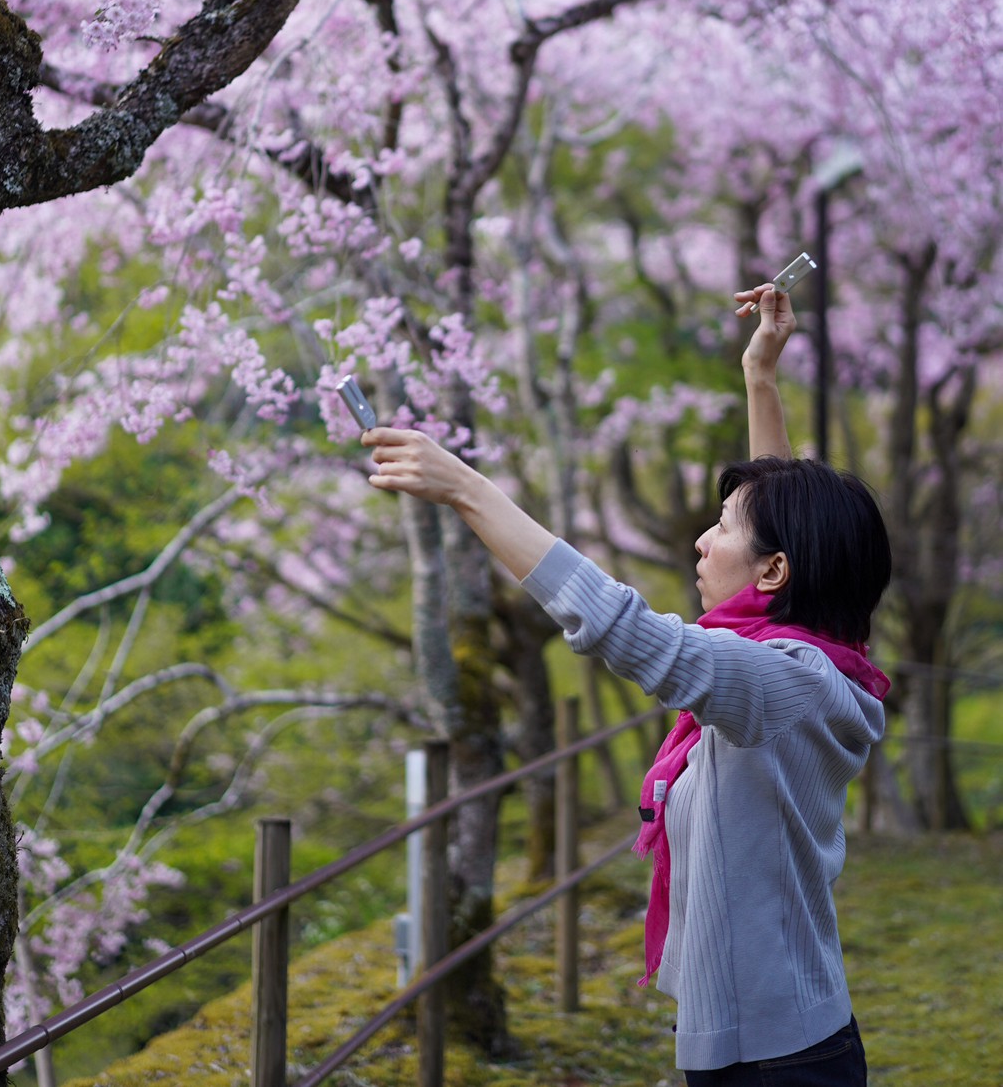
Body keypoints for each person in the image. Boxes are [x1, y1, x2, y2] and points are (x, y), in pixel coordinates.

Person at [361, 282, 891, 1085]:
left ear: (776, 571)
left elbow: (618, 624)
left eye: (722, 529)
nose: (701, 541)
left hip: (782, 1061)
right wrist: (761, 380)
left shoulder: (786, 681)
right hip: (767, 1039)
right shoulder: (807, 654)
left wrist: (468, 490)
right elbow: (790, 537)